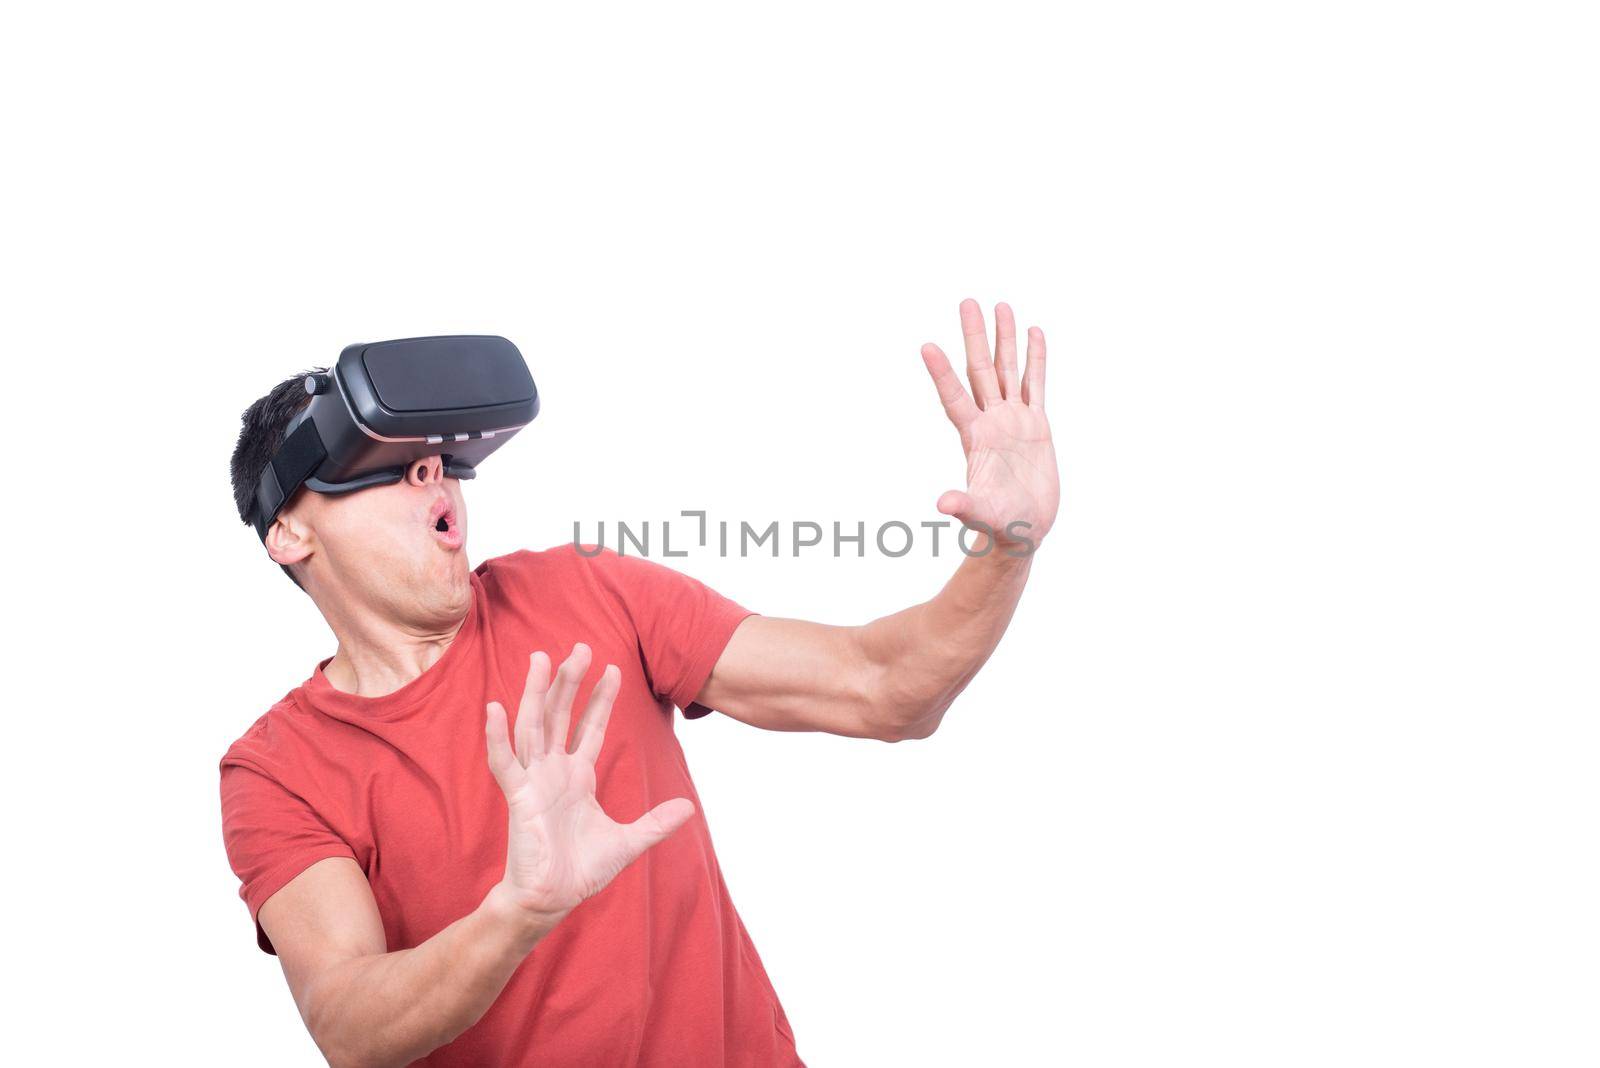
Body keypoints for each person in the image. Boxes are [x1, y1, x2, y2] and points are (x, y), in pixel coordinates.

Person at [219, 299, 1060, 1067]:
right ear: (289, 531)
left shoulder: (585, 593)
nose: (428, 473)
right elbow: (348, 1022)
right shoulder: (279, 770)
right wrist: (517, 912)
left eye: (434, 457)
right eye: (378, 458)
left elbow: (886, 688)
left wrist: (1007, 548)